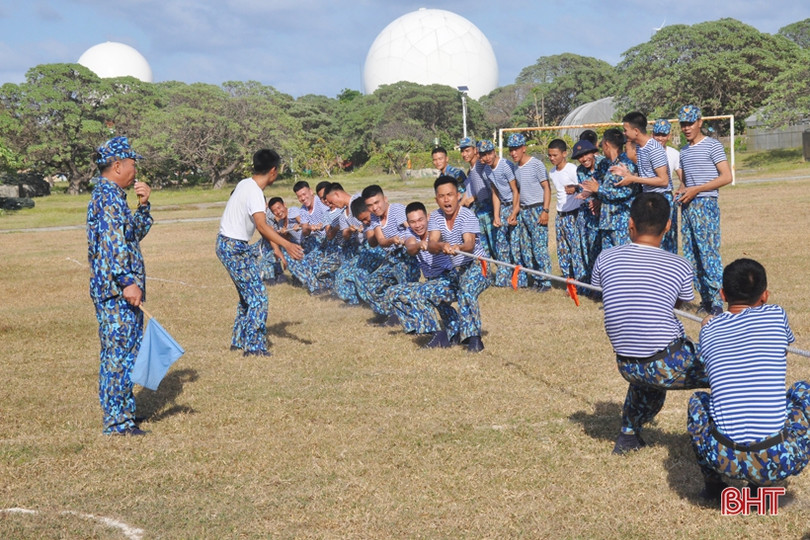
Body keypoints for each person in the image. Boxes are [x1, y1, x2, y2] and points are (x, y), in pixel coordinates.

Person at [591, 192, 708, 454]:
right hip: (664, 362)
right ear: (668, 226)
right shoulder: (679, 265)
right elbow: (677, 304)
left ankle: (628, 436)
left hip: (627, 364)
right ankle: (742, 437)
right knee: (728, 366)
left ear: (630, 223)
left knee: (647, 375)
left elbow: (604, 291)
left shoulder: (605, 257)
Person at [687, 258, 810, 500]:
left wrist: (707, 324)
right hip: (777, 460)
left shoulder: (709, 329)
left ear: (722, 294)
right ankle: (761, 480)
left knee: (699, 400)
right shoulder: (776, 315)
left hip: (723, 459)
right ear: (765, 296)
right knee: (803, 391)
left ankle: (713, 484)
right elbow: (782, 349)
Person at [87, 136, 152, 436]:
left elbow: (129, 237)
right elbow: (113, 247)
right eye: (131, 165)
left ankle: (122, 413)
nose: (134, 172)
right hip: (116, 293)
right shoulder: (108, 197)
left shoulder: (112, 195)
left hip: (115, 290)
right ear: (117, 166)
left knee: (122, 354)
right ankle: (117, 422)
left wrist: (144, 205)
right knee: (119, 356)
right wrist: (128, 282)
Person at [216, 149, 303, 357]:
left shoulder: (244, 183)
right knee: (258, 297)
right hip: (234, 247)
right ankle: (254, 347)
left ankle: (239, 340)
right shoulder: (254, 191)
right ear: (273, 170)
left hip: (228, 245)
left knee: (247, 297)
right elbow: (262, 227)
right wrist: (287, 245)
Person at [677, 104, 733, 315]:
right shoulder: (684, 150)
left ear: (700, 122)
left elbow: (726, 177)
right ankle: (705, 299)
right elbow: (686, 182)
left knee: (708, 253)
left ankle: (718, 300)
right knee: (693, 255)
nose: (687, 128)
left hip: (705, 204)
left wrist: (697, 189)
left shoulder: (712, 146)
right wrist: (681, 191)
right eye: (683, 124)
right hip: (688, 206)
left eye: (690, 123)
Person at [428, 175, 490, 352]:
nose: (446, 200)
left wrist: (458, 247)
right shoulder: (435, 217)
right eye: (442, 196)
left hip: (478, 265)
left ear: (458, 196)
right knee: (434, 292)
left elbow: (469, 245)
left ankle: (474, 339)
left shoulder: (467, 216)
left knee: (466, 290)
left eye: (450, 195)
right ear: (436, 199)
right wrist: (441, 245)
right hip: (456, 270)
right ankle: (454, 331)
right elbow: (432, 244)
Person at [386, 201, 459, 347]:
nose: (417, 225)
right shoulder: (410, 233)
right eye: (412, 222)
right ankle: (419, 327)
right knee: (393, 292)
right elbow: (410, 248)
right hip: (431, 281)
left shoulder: (436, 229)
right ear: (408, 223)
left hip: (449, 279)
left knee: (421, 292)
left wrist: (435, 245)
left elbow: (437, 242)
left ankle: (439, 336)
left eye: (420, 220)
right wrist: (419, 245)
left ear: (427, 217)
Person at [358, 184, 420, 324]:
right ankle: (388, 313)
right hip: (392, 257)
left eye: (377, 202)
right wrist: (392, 240)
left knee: (405, 289)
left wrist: (409, 240)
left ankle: (411, 319)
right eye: (370, 205)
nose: (374, 208)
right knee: (371, 284)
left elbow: (412, 227)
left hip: (406, 257)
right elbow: (381, 240)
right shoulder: (375, 218)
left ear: (385, 199)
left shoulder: (397, 210)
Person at [615, 112, 675, 253]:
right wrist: (629, 175)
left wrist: (634, 179)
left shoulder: (654, 149)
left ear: (636, 131)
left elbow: (663, 180)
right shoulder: (641, 148)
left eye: (626, 130)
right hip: (649, 198)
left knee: (664, 246)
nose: (624, 133)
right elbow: (648, 176)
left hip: (661, 199)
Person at [580, 129, 638, 254]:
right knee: (609, 262)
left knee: (623, 260)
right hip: (607, 222)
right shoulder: (608, 164)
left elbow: (626, 192)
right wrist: (597, 197)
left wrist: (598, 189)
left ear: (606, 144)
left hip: (620, 223)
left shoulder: (625, 164)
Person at [508, 133, 552, 291]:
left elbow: (547, 187)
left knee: (539, 247)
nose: (513, 153)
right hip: (524, 211)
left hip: (537, 208)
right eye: (511, 150)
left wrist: (545, 210)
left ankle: (546, 281)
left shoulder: (536, 165)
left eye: (516, 149)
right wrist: (514, 212)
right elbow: (519, 192)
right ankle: (536, 279)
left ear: (524, 148)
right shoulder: (515, 168)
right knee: (526, 248)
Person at [478, 139, 522, 288]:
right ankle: (503, 279)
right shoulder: (486, 171)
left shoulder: (506, 166)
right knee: (501, 243)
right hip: (502, 207)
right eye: (483, 155)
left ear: (494, 151)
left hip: (514, 205)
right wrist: (496, 215)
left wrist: (515, 212)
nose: (487, 157)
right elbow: (495, 193)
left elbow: (516, 190)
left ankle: (519, 279)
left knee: (515, 244)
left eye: (489, 153)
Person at [547, 139, 586, 283]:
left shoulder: (572, 169)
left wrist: (575, 188)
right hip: (560, 216)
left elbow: (584, 186)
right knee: (563, 250)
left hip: (574, 214)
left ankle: (580, 281)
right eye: (550, 155)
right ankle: (568, 280)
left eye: (555, 155)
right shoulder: (552, 172)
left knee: (576, 249)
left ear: (564, 154)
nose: (552, 158)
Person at [571, 139, 603, 282]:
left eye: (586, 155)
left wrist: (600, 201)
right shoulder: (580, 170)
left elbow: (612, 189)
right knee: (589, 248)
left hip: (607, 213)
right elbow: (585, 191)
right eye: (579, 157)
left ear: (593, 152)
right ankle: (592, 284)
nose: (583, 159)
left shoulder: (604, 164)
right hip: (590, 214)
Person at [458, 137, 496, 258]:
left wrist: (473, 198)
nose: (464, 154)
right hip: (479, 212)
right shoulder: (471, 169)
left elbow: (490, 188)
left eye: (467, 150)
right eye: (462, 151)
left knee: (495, 246)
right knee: (484, 250)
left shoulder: (481, 165)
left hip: (488, 209)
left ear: (475, 150)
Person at [652, 118, 683, 254]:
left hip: (666, 196)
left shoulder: (674, 154)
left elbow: (683, 178)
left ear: (669, 136)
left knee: (669, 234)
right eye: (657, 134)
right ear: (652, 134)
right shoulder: (645, 151)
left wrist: (680, 191)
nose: (660, 138)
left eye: (663, 135)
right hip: (650, 196)